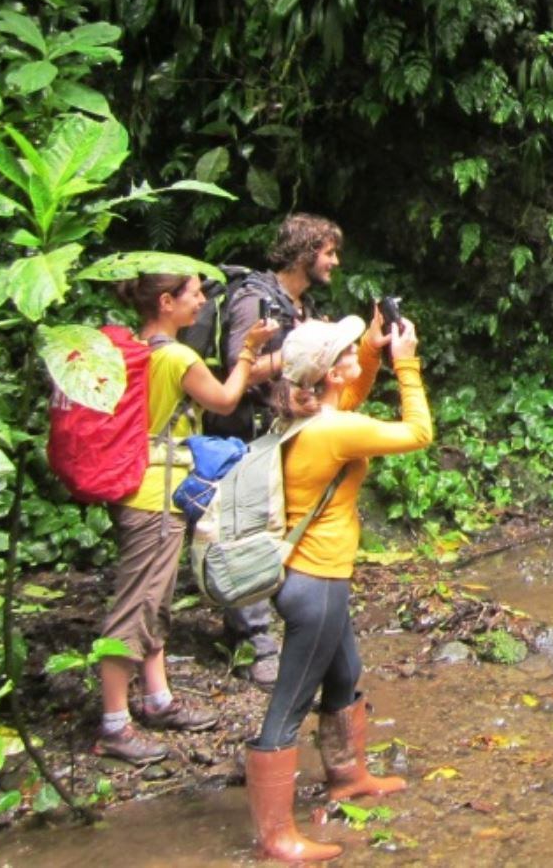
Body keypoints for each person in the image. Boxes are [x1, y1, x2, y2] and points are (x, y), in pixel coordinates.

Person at [245, 311, 432, 863]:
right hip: (316, 583)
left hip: (311, 578)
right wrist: (407, 364)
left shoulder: (308, 418)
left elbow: (348, 398)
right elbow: (418, 433)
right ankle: (275, 834)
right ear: (328, 372)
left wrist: (372, 353)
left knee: (345, 673)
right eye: (347, 353)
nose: (354, 356)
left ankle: (347, 777)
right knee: (289, 702)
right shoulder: (334, 430)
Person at [94, 273, 274, 764]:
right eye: (195, 293)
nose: (203, 302)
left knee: (157, 598)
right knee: (137, 605)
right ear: (167, 301)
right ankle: (113, 723)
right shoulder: (176, 357)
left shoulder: (134, 350)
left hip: (141, 488)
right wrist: (248, 350)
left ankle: (158, 698)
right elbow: (224, 399)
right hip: (155, 495)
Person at [212, 213, 344, 687]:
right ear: (307, 252)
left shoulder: (300, 305)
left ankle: (277, 629)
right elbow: (238, 368)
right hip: (244, 435)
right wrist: (300, 352)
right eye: (329, 252)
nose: (334, 262)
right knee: (248, 533)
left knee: (277, 530)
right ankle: (253, 642)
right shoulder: (256, 300)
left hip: (284, 431)